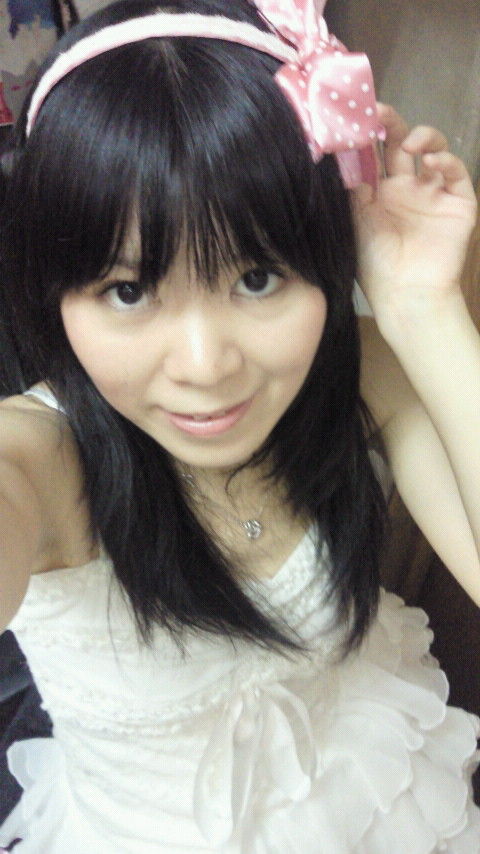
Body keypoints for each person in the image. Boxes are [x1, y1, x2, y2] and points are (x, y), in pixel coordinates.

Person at [0, 0, 479, 850]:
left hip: (375, 788)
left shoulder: (354, 368)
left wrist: (423, 307)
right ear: (54, 292)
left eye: (257, 278)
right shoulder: (45, 456)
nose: (204, 365)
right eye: (128, 290)